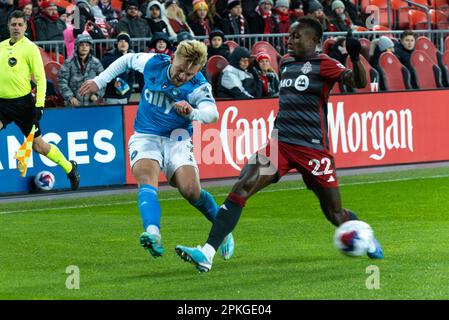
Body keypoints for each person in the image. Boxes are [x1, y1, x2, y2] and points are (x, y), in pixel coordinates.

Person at [175, 18, 384, 273]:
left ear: (314, 41)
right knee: (242, 186)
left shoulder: (325, 64)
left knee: (335, 214)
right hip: (280, 144)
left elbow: (358, 82)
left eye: (297, 36)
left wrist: (355, 56)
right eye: (290, 35)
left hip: (313, 149)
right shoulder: (285, 62)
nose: (290, 40)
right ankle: (206, 253)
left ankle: (365, 234)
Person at [78, 40, 235, 261]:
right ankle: (153, 234)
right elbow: (127, 59)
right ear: (173, 58)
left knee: (191, 191)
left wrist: (192, 113)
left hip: (177, 139)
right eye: (180, 70)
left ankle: (223, 229)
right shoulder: (154, 63)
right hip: (146, 135)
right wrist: (100, 80)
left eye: (189, 74)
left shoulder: (198, 85)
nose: (182, 77)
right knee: (145, 178)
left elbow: (212, 114)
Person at [0, 10, 80, 190]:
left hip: (23, 104)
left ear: (25, 27)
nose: (16, 28)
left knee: (39, 146)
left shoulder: (30, 48)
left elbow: (41, 78)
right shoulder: (2, 46)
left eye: (20, 25)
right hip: (2, 103)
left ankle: (69, 167)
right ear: (8, 26)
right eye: (13, 24)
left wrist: (39, 105)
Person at [58, 34, 105, 106]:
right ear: (77, 46)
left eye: (87, 45)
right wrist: (70, 97)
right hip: (72, 104)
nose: (84, 47)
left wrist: (96, 94)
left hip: (91, 105)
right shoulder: (68, 63)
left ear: (90, 47)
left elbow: (103, 80)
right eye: (82, 45)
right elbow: (61, 81)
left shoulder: (96, 63)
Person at [101, 32, 134, 105]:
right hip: (110, 97)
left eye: (126, 41)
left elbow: (131, 79)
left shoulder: (132, 59)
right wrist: (114, 83)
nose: (123, 43)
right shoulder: (108, 58)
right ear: (117, 43)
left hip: (124, 98)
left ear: (129, 44)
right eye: (121, 41)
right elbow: (103, 75)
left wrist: (127, 95)